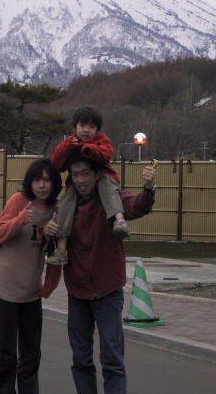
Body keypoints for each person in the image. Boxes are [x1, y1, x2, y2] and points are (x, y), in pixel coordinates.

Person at [42, 153, 158, 394]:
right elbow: (50, 236)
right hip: (78, 291)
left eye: (85, 173)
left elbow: (136, 207)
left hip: (108, 290)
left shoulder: (111, 197)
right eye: (75, 175)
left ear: (97, 175)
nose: (80, 180)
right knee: (81, 359)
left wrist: (148, 188)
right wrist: (48, 230)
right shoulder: (67, 204)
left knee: (112, 359)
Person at [0, 158, 63, 394]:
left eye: (47, 180)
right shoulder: (18, 200)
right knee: (6, 354)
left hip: (31, 293)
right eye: (38, 180)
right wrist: (21, 219)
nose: (42, 185)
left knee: (31, 356)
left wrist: (49, 285)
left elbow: (57, 254)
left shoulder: (56, 211)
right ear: (30, 182)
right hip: (4, 288)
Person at [47, 106, 126, 265]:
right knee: (64, 206)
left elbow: (106, 153)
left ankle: (119, 221)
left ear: (97, 129)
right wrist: (68, 145)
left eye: (91, 126)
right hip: (75, 185)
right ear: (74, 127)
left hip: (103, 178)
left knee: (110, 192)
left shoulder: (101, 140)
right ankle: (61, 251)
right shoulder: (70, 143)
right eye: (82, 125)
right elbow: (56, 163)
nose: (86, 130)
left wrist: (89, 149)